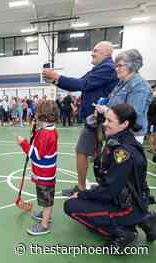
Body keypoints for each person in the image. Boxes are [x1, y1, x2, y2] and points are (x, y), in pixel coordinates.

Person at [63, 103, 156, 250]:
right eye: (106, 119)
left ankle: (122, 232)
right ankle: (144, 219)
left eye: (110, 121)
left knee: (71, 206)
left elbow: (109, 190)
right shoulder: (126, 140)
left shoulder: (122, 152)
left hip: (125, 206)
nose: (105, 124)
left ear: (125, 123)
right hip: (132, 200)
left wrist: (82, 194)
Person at [42, 41, 118, 196]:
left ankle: (82, 188)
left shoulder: (107, 68)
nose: (92, 53)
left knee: (82, 151)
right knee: (97, 155)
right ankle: (101, 188)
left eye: (96, 50)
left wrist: (57, 76)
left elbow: (83, 84)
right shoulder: (98, 69)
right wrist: (55, 80)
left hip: (98, 119)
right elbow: (77, 84)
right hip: (97, 119)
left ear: (106, 53)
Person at [17, 100, 59, 235]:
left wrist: (23, 143)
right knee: (47, 197)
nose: (35, 116)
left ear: (42, 116)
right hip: (47, 172)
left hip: (44, 174)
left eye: (37, 113)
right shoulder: (50, 130)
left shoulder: (45, 134)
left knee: (46, 199)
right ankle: (46, 215)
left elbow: (35, 155)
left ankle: (44, 224)